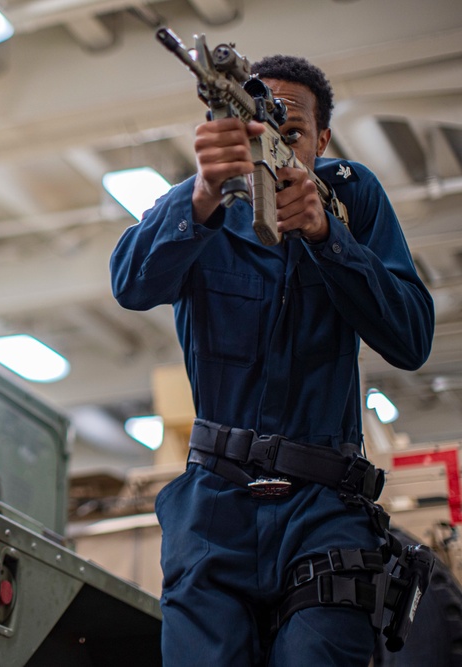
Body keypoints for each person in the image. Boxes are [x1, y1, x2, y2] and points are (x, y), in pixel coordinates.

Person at [109, 55, 434, 665]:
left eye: (292, 135)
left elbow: (412, 338)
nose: (276, 148)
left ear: (323, 140)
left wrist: (328, 238)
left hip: (325, 508)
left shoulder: (353, 199)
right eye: (259, 133)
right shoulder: (197, 203)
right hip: (214, 507)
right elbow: (130, 283)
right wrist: (205, 191)